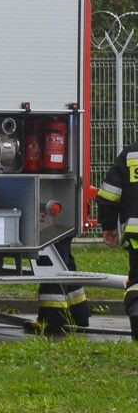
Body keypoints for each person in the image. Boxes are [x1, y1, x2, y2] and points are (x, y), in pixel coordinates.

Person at [93, 143, 138, 341]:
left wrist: (108, 225)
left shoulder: (131, 154)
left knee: (137, 279)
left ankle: (137, 309)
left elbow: (109, 193)